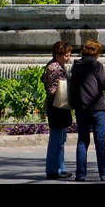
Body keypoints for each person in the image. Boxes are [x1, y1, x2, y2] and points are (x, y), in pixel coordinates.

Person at [69, 39, 105, 181]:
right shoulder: (96, 66)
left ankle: (81, 174)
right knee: (100, 140)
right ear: (95, 53)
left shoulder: (76, 66)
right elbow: (104, 85)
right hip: (96, 107)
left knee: (82, 140)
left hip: (81, 107)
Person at [42, 41, 74, 180]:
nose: (69, 58)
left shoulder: (55, 65)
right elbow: (52, 90)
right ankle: (52, 169)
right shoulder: (55, 68)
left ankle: (60, 168)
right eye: (66, 55)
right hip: (57, 107)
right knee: (56, 139)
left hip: (58, 106)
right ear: (58, 55)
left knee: (60, 138)